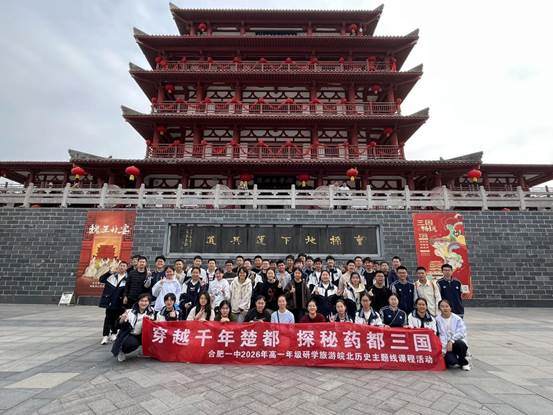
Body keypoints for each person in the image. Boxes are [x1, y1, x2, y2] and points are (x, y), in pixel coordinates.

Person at [111, 293, 156, 362]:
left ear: (149, 302)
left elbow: (156, 323)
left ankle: (143, 349)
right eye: (142, 301)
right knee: (131, 343)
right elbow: (117, 326)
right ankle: (122, 351)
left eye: (146, 301)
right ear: (138, 302)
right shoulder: (130, 312)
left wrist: (151, 320)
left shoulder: (152, 311)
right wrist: (122, 319)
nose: (144, 303)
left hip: (144, 334)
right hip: (131, 334)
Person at [436, 299, 470, 370]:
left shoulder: (457, 319)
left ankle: (464, 362)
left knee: (460, 344)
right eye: (442, 306)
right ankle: (455, 358)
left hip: (456, 343)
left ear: (450, 307)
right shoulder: (437, 320)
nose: (445, 308)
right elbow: (441, 336)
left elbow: (461, 332)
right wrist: (443, 350)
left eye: (447, 306)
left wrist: (451, 341)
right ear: (439, 308)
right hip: (445, 346)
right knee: (451, 362)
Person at [99, 260, 128, 345]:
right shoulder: (112, 276)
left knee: (117, 318)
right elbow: (101, 279)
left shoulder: (128, 278)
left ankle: (114, 333)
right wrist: (109, 272)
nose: (122, 267)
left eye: (124, 266)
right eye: (121, 265)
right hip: (110, 301)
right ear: (118, 266)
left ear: (126, 268)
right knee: (108, 318)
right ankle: (105, 335)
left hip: (120, 302)